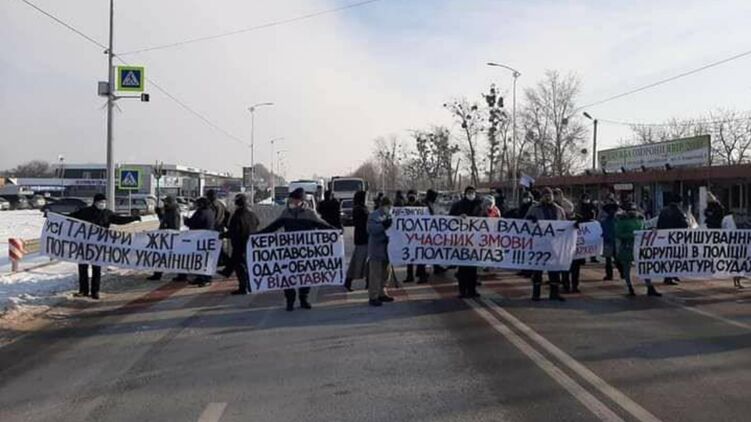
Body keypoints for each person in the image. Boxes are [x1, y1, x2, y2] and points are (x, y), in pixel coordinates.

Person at [258, 188, 336, 311]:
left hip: (305, 251)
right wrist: (258, 235)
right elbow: (274, 226)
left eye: (294, 199)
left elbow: (322, 225)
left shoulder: (309, 213)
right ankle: (290, 300)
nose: (292, 201)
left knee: (305, 275)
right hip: (289, 251)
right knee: (287, 276)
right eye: (291, 199)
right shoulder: (286, 213)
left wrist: (334, 231)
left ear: (301, 200)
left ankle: (303, 298)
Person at [70, 193, 141, 299]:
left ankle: (95, 291)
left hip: (99, 245)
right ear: (95, 202)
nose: (102, 204)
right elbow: (70, 217)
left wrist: (133, 218)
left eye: (104, 202)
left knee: (96, 268)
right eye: (100, 202)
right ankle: (83, 290)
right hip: (84, 244)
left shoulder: (107, 213)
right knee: (83, 268)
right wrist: (53, 216)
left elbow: (119, 220)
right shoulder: (85, 212)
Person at [526, 187, 567, 301]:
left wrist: (573, 226)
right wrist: (530, 220)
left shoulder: (559, 210)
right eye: (545, 195)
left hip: (554, 244)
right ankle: (536, 294)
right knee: (538, 269)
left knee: (554, 269)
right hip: (539, 244)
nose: (548, 197)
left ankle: (554, 293)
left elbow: (564, 224)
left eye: (550, 195)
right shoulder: (534, 209)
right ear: (542, 197)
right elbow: (524, 224)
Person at [615, 203, 661, 297]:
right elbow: (618, 234)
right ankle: (630, 287)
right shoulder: (622, 221)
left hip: (640, 246)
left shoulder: (640, 219)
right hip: (627, 247)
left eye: (634, 210)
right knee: (627, 268)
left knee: (644, 266)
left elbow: (644, 230)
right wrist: (632, 235)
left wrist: (650, 232)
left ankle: (649, 287)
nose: (632, 212)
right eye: (630, 210)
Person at [449, 186, 483, 298]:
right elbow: (450, 219)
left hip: (475, 241)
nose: (471, 194)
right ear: (465, 193)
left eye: (473, 192)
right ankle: (462, 291)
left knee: (473, 268)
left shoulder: (479, 205)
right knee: (463, 268)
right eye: (469, 192)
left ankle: (472, 290)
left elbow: (486, 220)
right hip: (462, 241)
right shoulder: (458, 205)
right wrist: (458, 217)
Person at [223, 194, 259, 295]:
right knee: (247, 266)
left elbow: (233, 231)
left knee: (240, 267)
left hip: (239, 244)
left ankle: (243, 287)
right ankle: (249, 285)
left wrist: (222, 235)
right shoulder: (252, 214)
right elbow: (257, 223)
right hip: (251, 243)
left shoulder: (237, 215)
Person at [367, 197, 395, 306]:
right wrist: (383, 225)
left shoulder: (391, 215)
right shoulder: (374, 215)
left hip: (387, 251)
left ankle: (382, 293)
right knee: (375, 274)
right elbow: (371, 229)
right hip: (376, 249)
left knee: (386, 274)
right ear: (383, 206)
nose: (389, 208)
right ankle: (373, 296)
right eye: (388, 206)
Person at [147, 195, 182, 281]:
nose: (165, 204)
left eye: (166, 202)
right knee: (160, 256)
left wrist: (168, 231)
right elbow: (163, 220)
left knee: (174, 257)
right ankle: (157, 274)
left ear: (171, 203)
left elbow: (175, 227)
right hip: (164, 237)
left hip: (170, 238)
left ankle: (182, 275)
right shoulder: (168, 211)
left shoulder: (174, 212)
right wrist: (159, 213)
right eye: (164, 202)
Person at [657, 193, 689, 285]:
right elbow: (684, 225)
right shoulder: (678, 211)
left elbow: (659, 224)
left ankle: (670, 275)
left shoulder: (663, 211)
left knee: (667, 257)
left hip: (664, 238)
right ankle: (669, 277)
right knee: (674, 258)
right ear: (679, 202)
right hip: (675, 239)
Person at [183, 197, 216, 287]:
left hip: (201, 239)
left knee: (203, 260)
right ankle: (200, 277)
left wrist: (186, 220)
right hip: (206, 239)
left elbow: (194, 223)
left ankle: (206, 279)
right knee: (202, 260)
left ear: (201, 204)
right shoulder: (210, 211)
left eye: (197, 204)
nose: (195, 205)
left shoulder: (201, 212)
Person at [344, 190, 369, 291]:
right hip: (363, 238)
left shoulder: (359, 208)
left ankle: (368, 282)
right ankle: (349, 281)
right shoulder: (360, 209)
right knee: (361, 262)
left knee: (362, 262)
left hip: (362, 238)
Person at [599, 195, 623, 281]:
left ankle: (613, 274)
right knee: (612, 259)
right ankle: (620, 273)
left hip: (611, 240)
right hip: (611, 240)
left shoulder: (611, 220)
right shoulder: (614, 220)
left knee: (612, 259)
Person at [403, 189, 420, 283]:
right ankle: (410, 275)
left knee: (420, 255)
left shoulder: (421, 206)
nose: (412, 197)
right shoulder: (404, 207)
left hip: (419, 236)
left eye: (413, 195)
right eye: (410, 196)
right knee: (409, 256)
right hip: (408, 236)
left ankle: (421, 275)